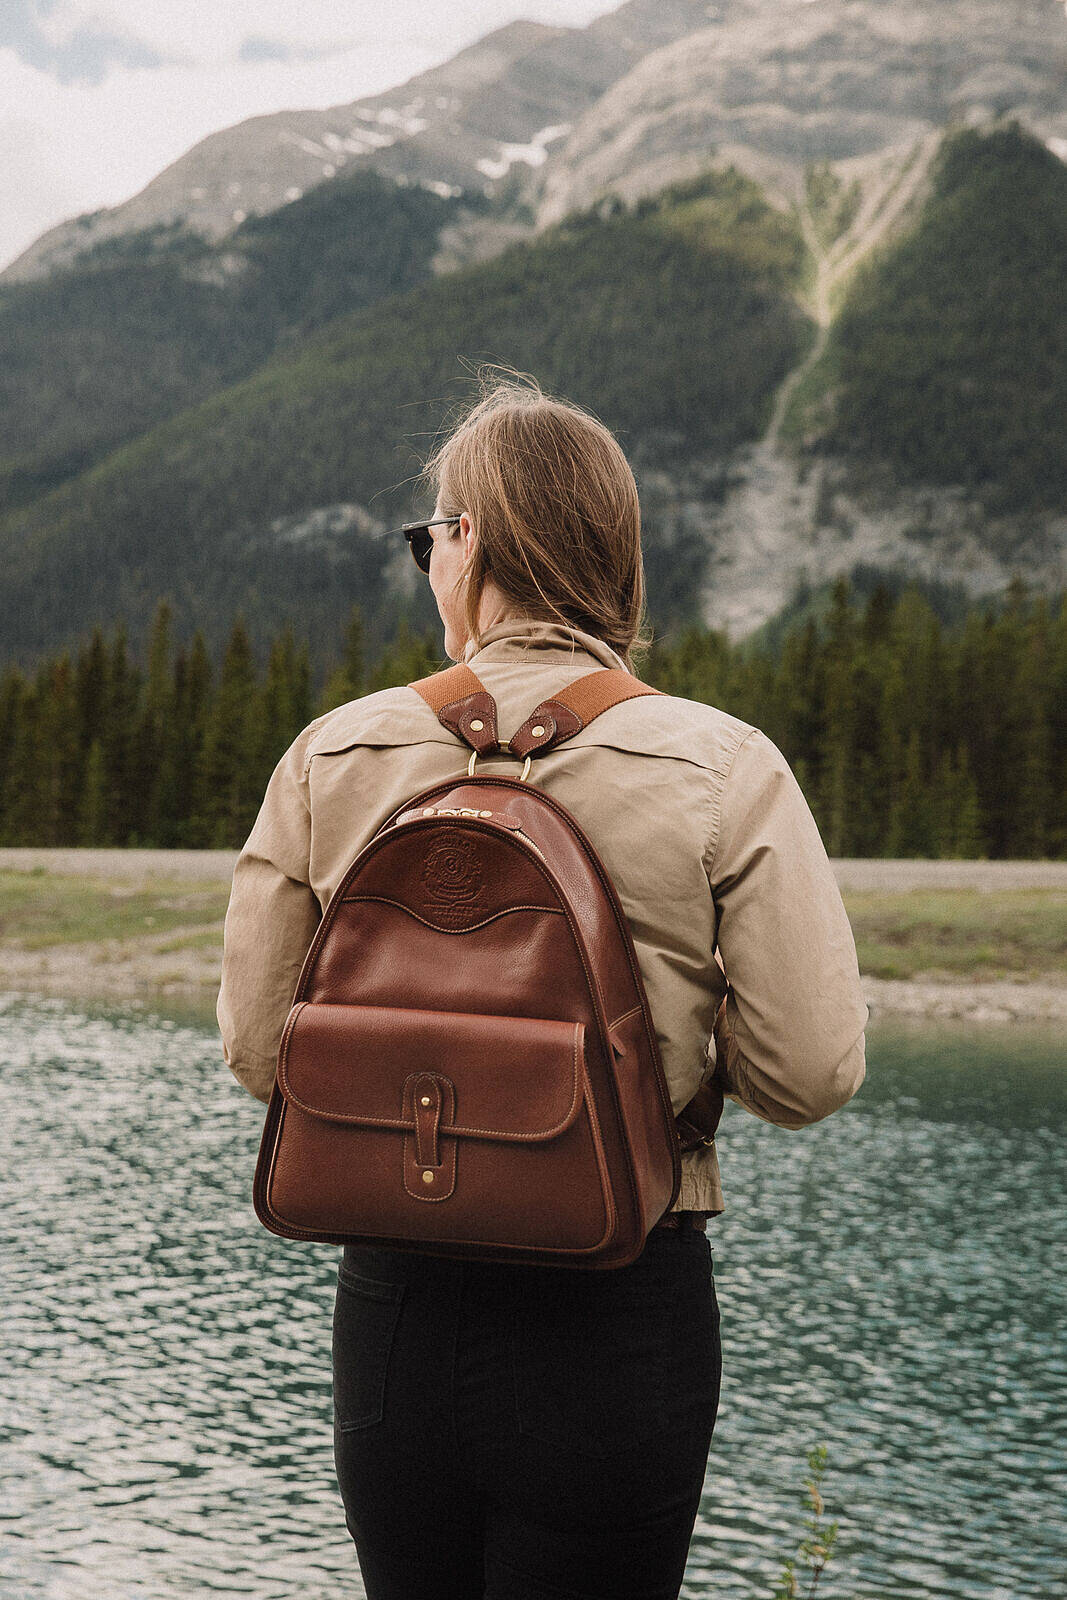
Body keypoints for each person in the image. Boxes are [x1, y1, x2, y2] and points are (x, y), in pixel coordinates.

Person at [216, 371, 868, 1599]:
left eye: (429, 540)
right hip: (616, 1311)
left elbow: (264, 1054)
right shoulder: (722, 767)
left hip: (396, 1314)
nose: (427, 567)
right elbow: (809, 1072)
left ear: (469, 543)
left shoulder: (331, 754)